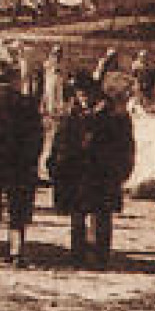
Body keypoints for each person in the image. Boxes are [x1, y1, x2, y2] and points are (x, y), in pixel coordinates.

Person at [49, 75, 136, 269]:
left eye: (86, 95)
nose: (83, 99)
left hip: (103, 174)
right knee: (77, 215)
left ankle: (100, 256)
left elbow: (126, 146)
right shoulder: (71, 113)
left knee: (102, 215)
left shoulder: (115, 115)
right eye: (80, 95)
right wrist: (56, 164)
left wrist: (122, 170)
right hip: (77, 173)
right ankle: (77, 255)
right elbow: (59, 141)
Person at [0, 67, 44, 268]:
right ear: (13, 79)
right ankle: (17, 253)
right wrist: (31, 160)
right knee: (17, 208)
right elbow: (37, 137)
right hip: (19, 164)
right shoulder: (27, 103)